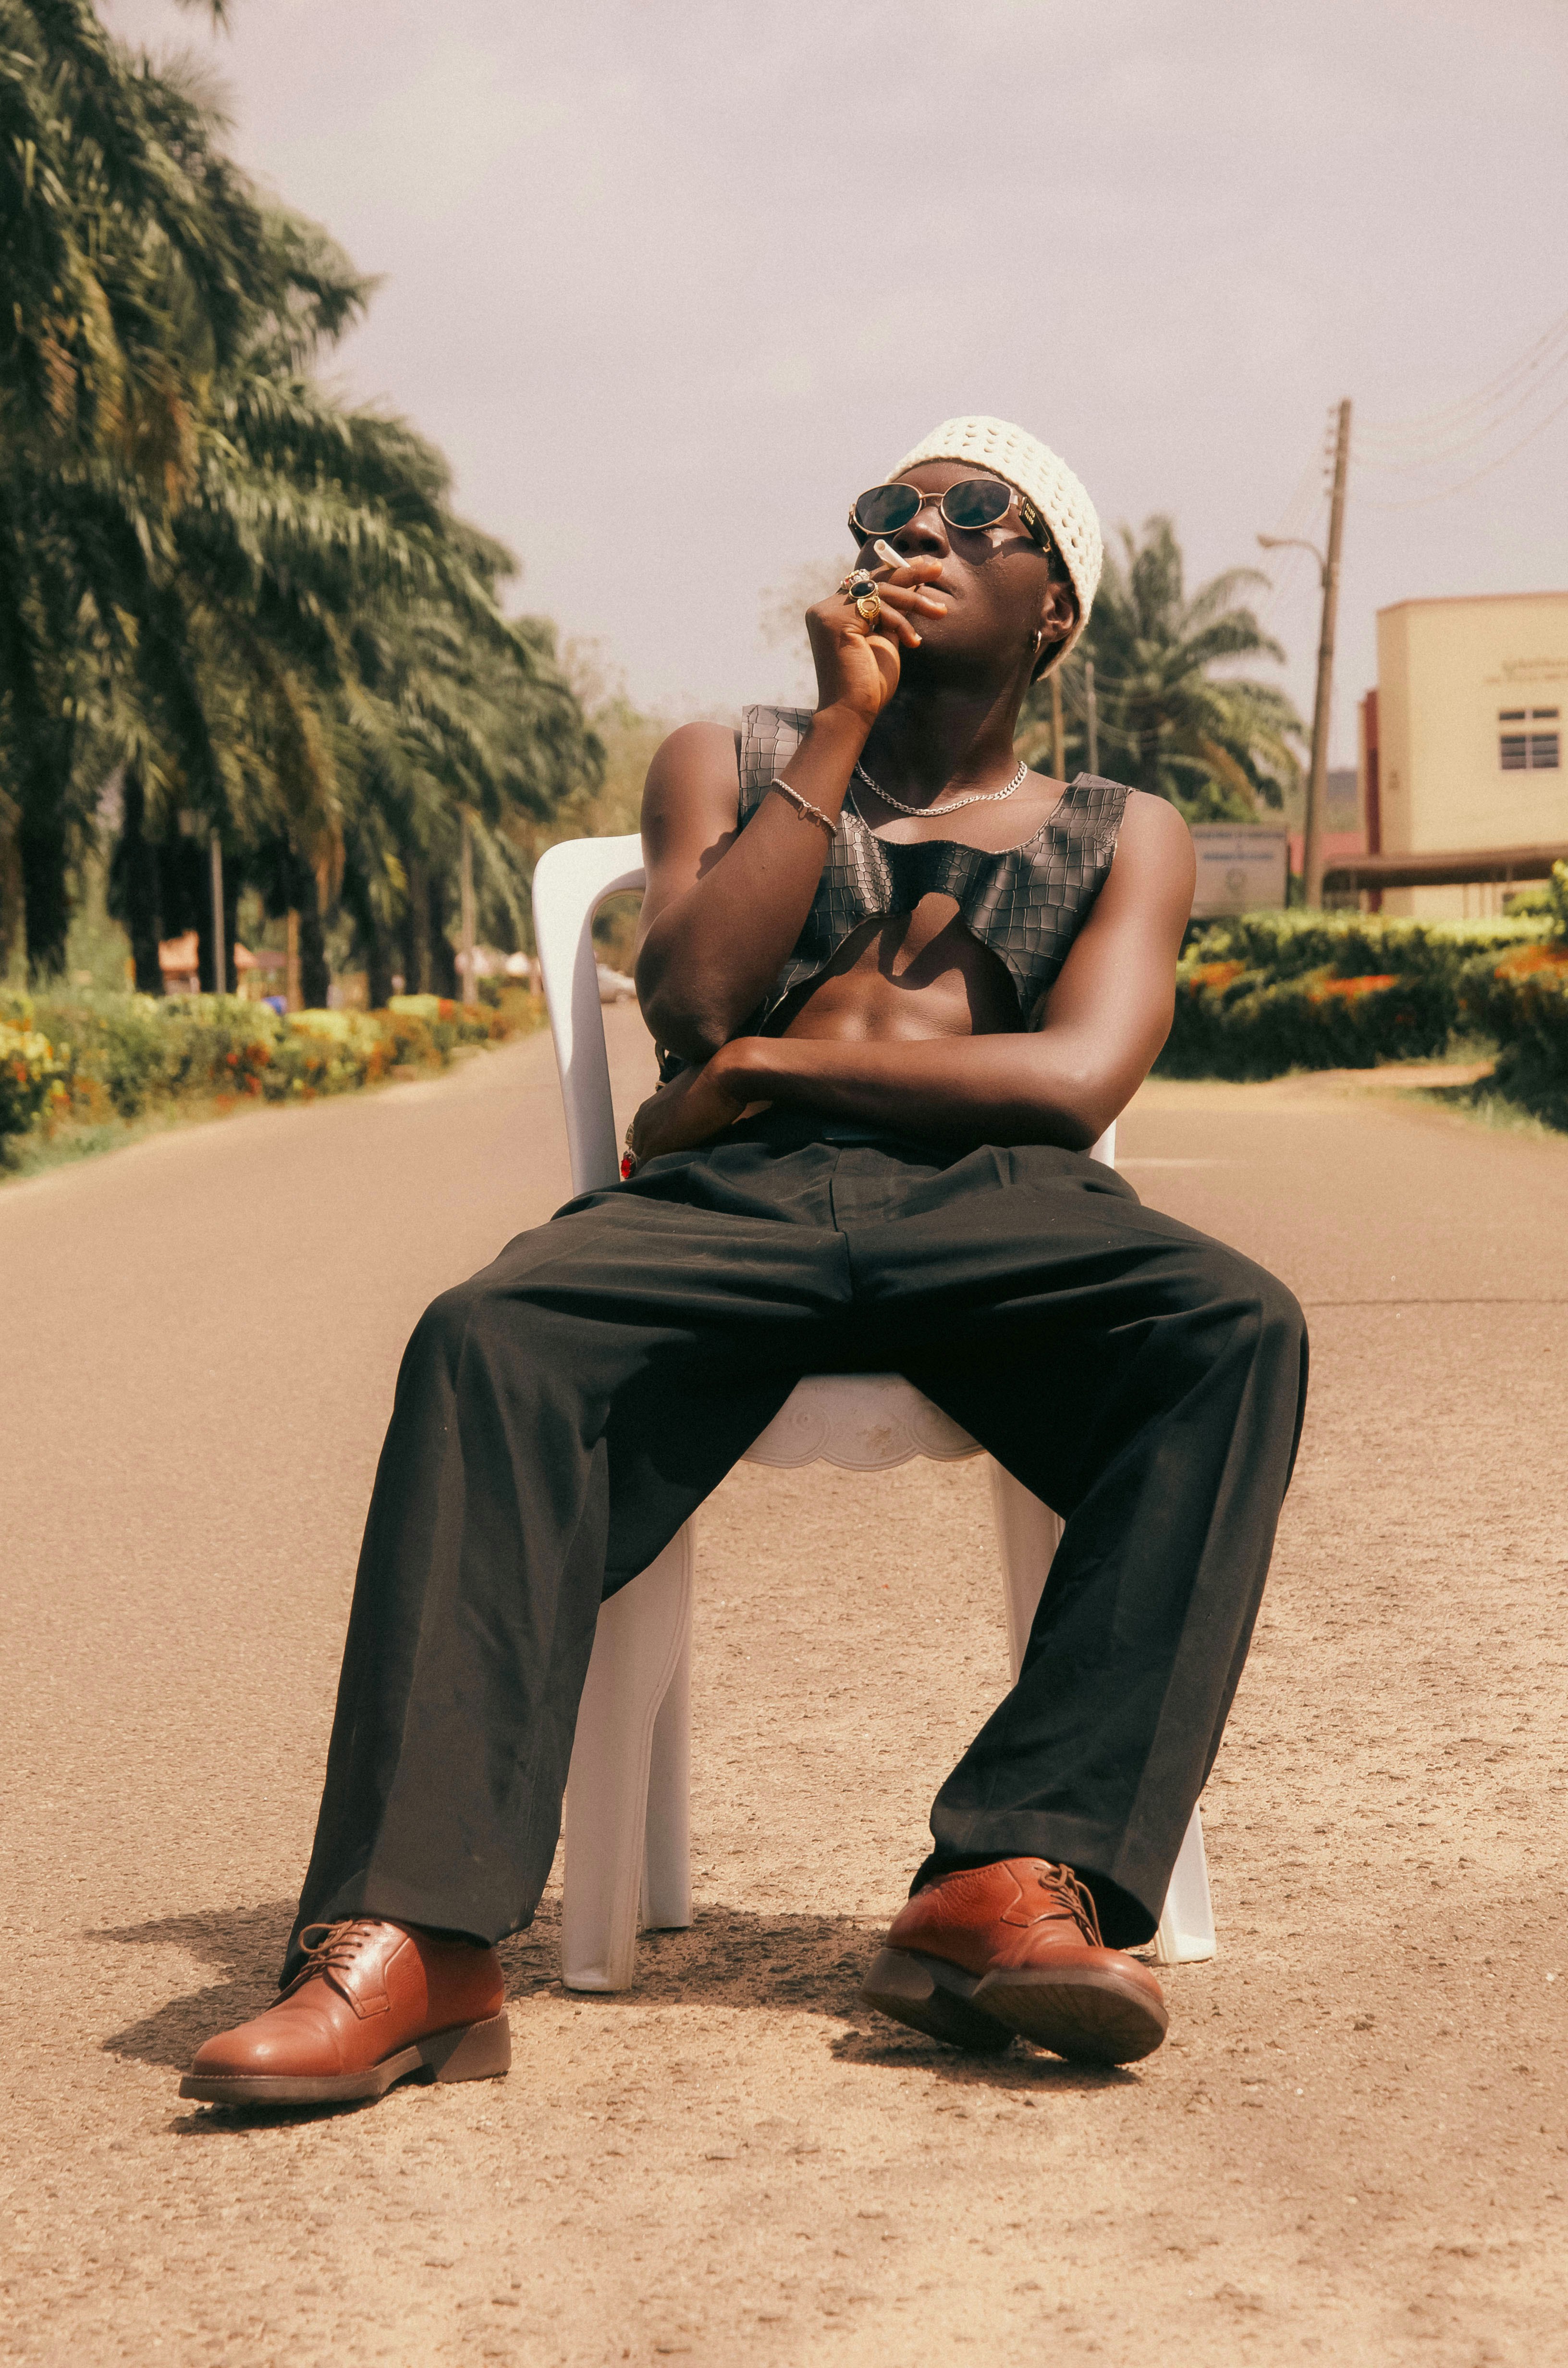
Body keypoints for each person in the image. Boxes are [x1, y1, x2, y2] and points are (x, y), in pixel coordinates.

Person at [182, 416, 1307, 2108]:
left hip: (992, 1207)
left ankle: (1013, 1872)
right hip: (732, 1207)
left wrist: (777, 1070)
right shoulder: (733, 756)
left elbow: (1072, 1083)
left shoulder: (1116, 824)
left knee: (1232, 1329)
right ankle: (420, 1940)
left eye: (974, 516)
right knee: (486, 1335)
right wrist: (843, 734)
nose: (916, 533)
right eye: (890, 509)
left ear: (1055, 608)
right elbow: (695, 1003)